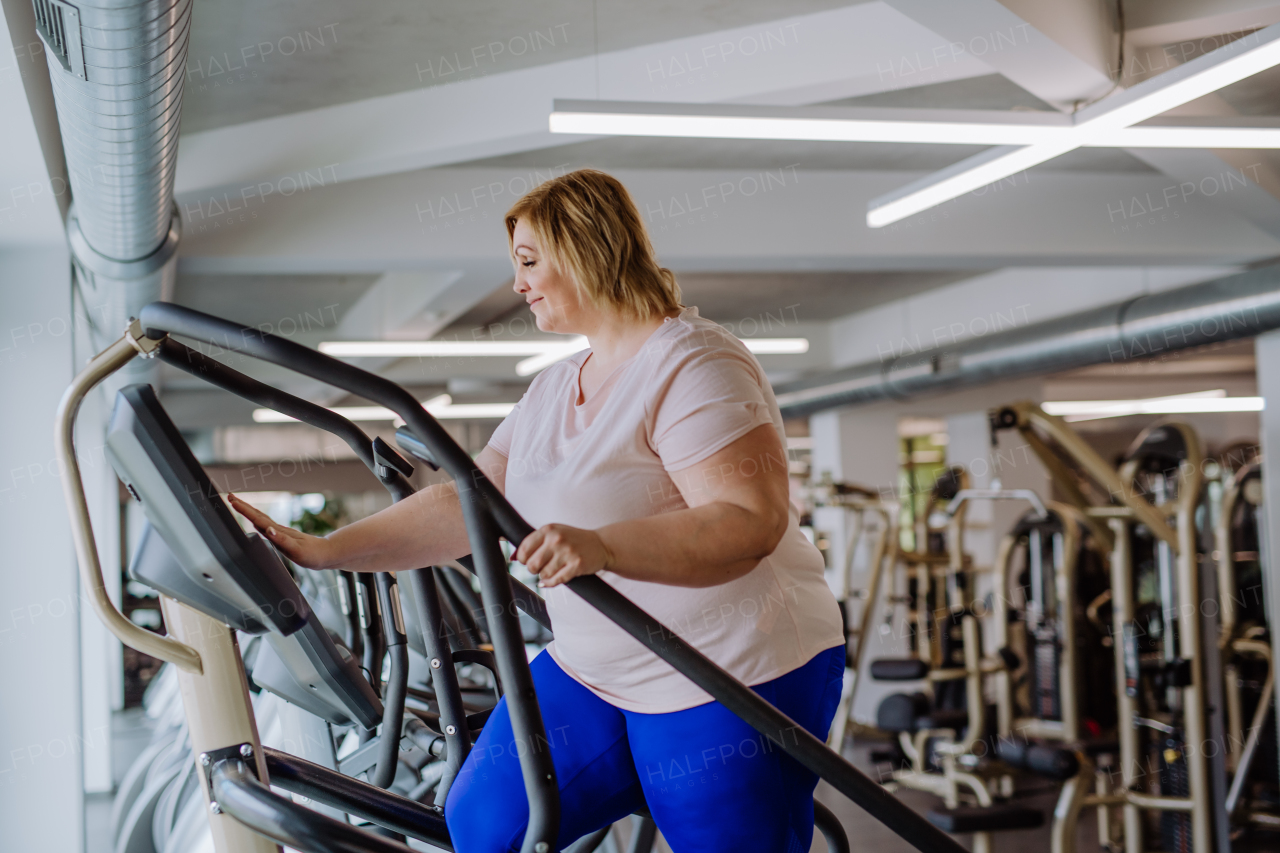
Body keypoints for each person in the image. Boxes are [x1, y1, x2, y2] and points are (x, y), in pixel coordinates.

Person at [231, 168, 844, 853]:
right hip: (596, 668)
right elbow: (467, 505)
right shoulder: (553, 387)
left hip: (729, 668)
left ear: (588, 247)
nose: (518, 284)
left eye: (529, 262)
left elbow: (745, 519)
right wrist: (319, 547)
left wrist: (603, 545)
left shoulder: (695, 363)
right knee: (486, 823)